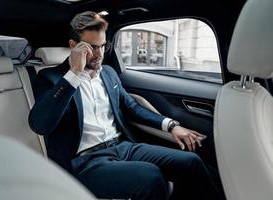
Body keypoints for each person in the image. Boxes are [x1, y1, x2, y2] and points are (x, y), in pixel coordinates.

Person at [29, 11, 222, 200]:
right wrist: (73, 74)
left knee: (190, 162)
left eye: (103, 46)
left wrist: (172, 125)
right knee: (151, 177)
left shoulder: (108, 73)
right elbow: (39, 124)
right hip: (85, 162)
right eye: (91, 48)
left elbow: (133, 107)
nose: (99, 54)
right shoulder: (51, 78)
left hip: (123, 147)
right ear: (74, 46)